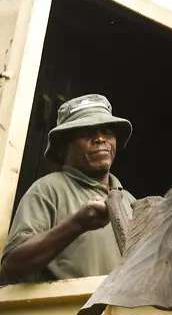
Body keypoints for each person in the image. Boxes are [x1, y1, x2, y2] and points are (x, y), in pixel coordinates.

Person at [0, 94, 136, 284]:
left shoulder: (129, 201)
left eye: (107, 131)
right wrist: (77, 224)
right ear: (63, 147)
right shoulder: (48, 189)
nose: (100, 138)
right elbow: (12, 267)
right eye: (87, 132)